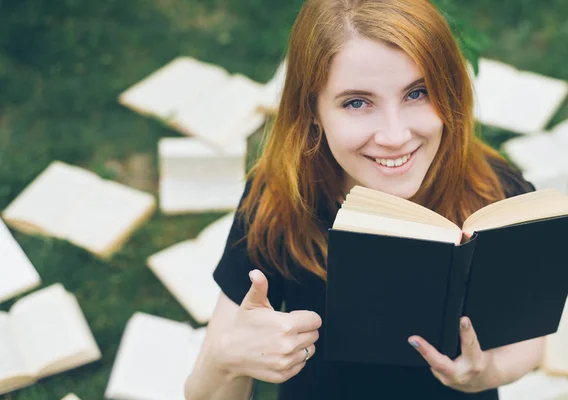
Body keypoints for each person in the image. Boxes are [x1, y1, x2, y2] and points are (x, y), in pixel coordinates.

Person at [184, 0, 544, 399]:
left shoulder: (499, 197)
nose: (394, 135)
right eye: (357, 102)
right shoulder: (279, 200)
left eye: (417, 93)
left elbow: (529, 344)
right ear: (312, 111)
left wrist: (486, 372)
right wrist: (226, 358)